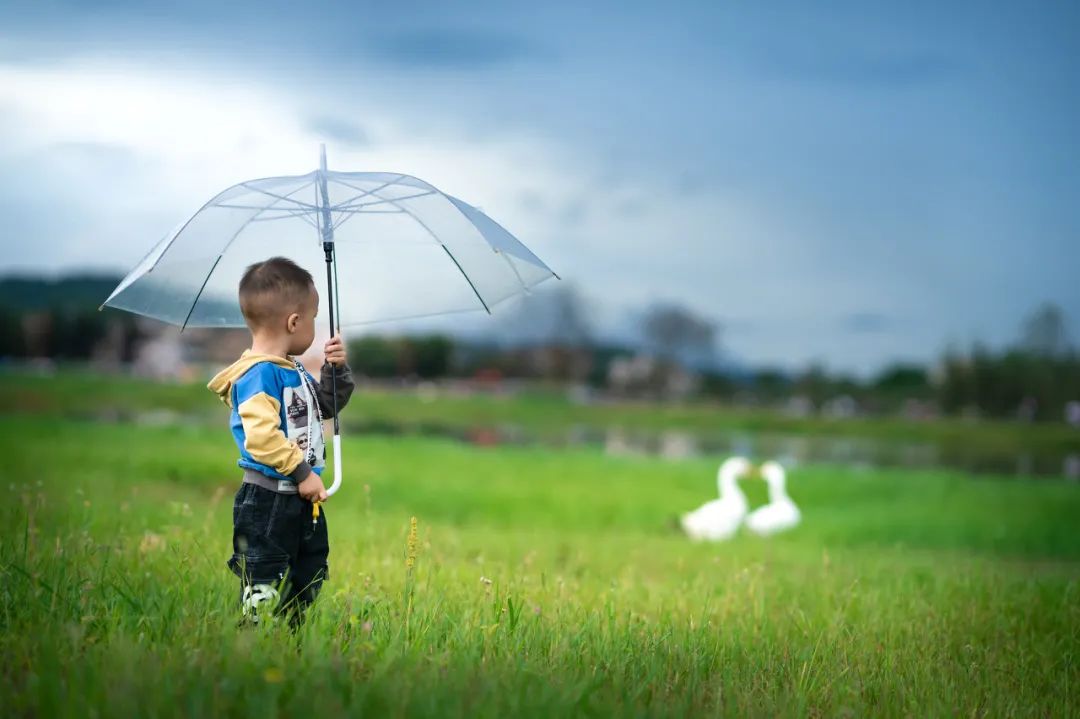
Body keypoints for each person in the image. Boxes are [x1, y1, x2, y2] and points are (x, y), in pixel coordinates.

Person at [207, 256, 354, 627]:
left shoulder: (294, 369)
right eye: (314, 317)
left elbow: (325, 406)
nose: (316, 328)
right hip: (269, 500)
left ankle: (290, 638)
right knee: (264, 576)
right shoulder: (258, 376)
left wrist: (335, 370)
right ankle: (252, 637)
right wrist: (302, 472)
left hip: (301, 500)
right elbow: (262, 438)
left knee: (311, 568)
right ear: (294, 322)